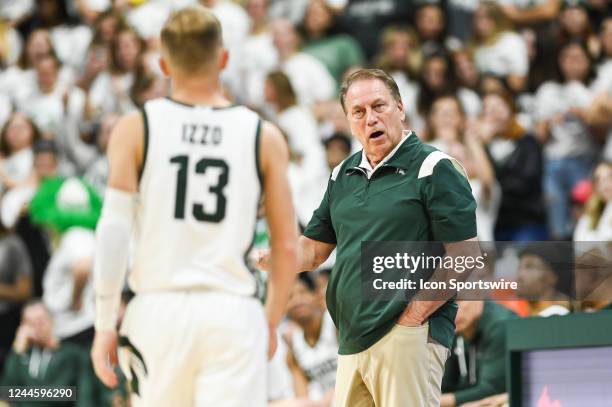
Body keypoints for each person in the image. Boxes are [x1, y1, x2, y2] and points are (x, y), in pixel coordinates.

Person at [90, 6, 298, 407]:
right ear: (223, 59)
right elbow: (286, 247)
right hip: (232, 312)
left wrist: (103, 324)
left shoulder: (135, 127)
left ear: (164, 64)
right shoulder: (263, 135)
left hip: (158, 310)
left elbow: (113, 231)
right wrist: (269, 321)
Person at [260, 68, 479, 406]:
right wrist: (275, 256)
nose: (370, 118)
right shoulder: (342, 174)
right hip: (351, 339)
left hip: (408, 335)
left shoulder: (434, 167)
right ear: (347, 120)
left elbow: (465, 257)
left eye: (379, 106)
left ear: (401, 108)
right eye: (358, 112)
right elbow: (316, 250)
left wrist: (412, 317)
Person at [440, 300, 518, 407]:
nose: (452, 310)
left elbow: (491, 390)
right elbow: (445, 385)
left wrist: (432, 402)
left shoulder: (500, 325)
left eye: (459, 300)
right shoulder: (456, 327)